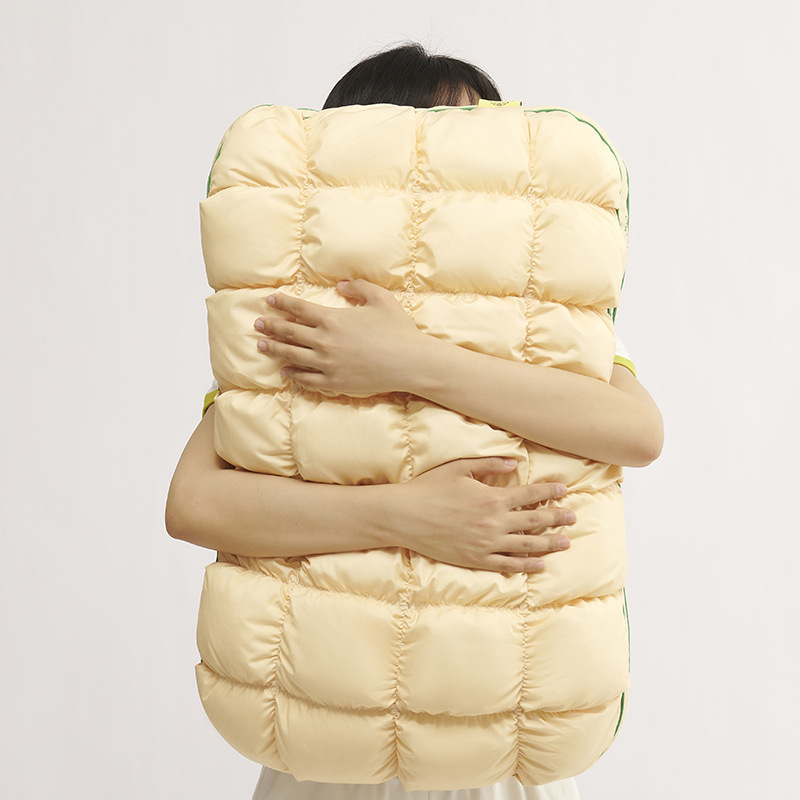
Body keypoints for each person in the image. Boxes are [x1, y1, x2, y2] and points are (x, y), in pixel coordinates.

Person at [166, 41, 663, 800]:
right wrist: (407, 516)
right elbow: (194, 504)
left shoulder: (539, 329)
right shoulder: (303, 334)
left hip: (504, 750)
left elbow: (637, 433)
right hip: (326, 745)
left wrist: (412, 361)